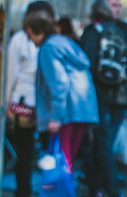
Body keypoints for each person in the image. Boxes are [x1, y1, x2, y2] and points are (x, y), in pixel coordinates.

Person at [79, 0, 127, 197]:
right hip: (121, 94)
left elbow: (87, 63)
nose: (117, 9)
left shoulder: (94, 31)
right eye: (114, 5)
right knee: (104, 144)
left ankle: (112, 191)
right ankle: (96, 188)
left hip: (101, 94)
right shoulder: (124, 31)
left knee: (102, 143)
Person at [37, 13, 100, 170]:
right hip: (84, 109)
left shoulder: (48, 48)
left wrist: (55, 116)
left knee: (62, 160)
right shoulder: (69, 45)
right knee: (67, 158)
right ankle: (65, 192)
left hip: (67, 110)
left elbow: (59, 83)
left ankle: (62, 194)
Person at [6, 5, 53, 197]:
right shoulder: (52, 40)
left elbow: (11, 74)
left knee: (25, 149)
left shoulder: (20, 39)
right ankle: (46, 193)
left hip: (25, 102)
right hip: (41, 103)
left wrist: (6, 101)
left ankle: (24, 193)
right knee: (45, 149)